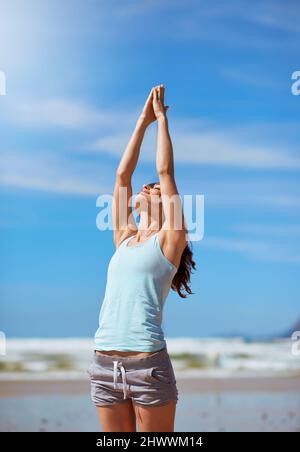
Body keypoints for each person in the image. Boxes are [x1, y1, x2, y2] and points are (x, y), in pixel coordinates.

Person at [87, 84, 195, 432]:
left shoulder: (169, 242)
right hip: (104, 364)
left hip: (147, 365)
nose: (148, 187)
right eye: (146, 187)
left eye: (156, 190)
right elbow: (122, 176)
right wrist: (142, 121)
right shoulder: (124, 239)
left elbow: (166, 172)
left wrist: (162, 119)